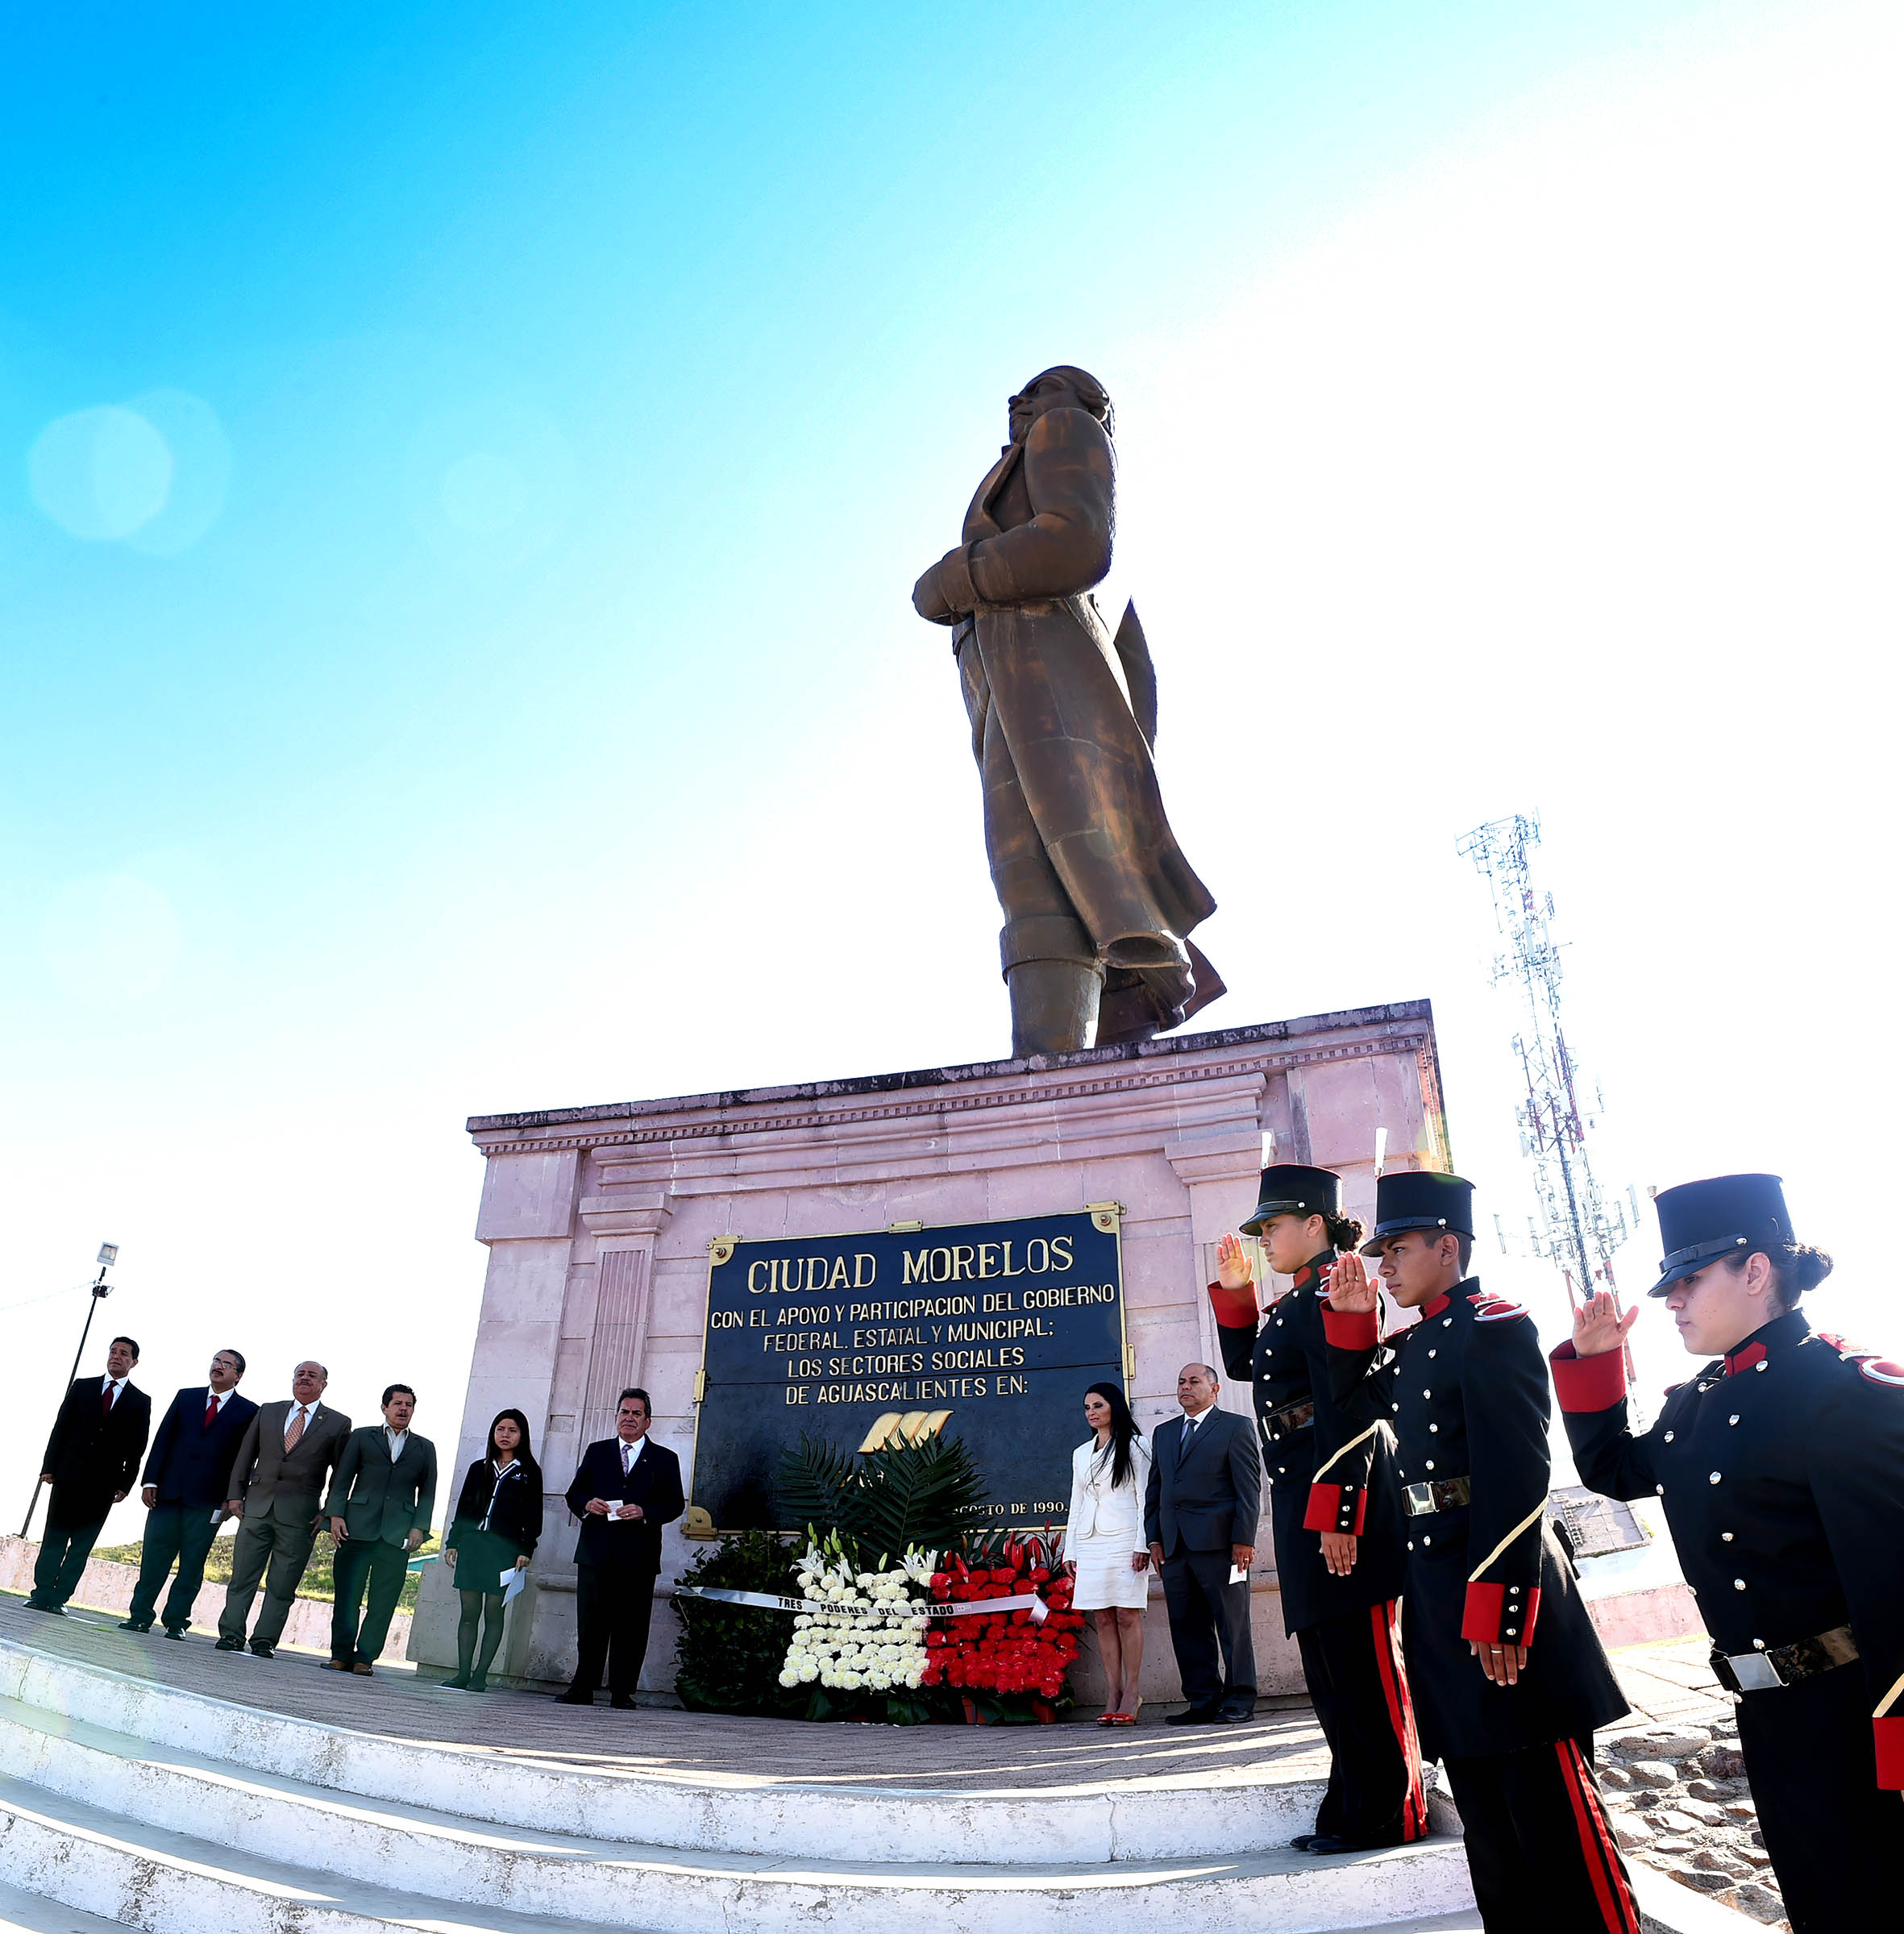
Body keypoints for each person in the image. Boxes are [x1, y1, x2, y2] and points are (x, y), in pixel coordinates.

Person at [1553, 1173, 1903, 1932]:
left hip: (1853, 1718)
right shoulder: (1692, 1407)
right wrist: (1596, 1362)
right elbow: (1614, 1468)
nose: (1672, 1298)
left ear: (1756, 1270)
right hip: (1767, 1715)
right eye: (1669, 1282)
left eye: (1689, 1277)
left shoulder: (1846, 1390)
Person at [1325, 1171, 1637, 1934]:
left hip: (1499, 1587)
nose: (1386, 1265)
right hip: (1436, 1591)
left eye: (1396, 1248)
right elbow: (1351, 1407)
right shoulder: (1415, 1340)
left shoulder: (1491, 1325)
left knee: (1553, 1817)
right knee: (1490, 1833)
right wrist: (1352, 1319)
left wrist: (1500, 1604)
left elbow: (1519, 1471)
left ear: (1448, 1245)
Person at [910, 364, 1223, 1054]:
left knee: (1043, 868)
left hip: (1043, 666)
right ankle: (1055, 1062)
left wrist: (957, 576)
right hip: (1012, 668)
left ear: (1089, 405)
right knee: (1036, 870)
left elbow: (1078, 541)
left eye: (1046, 387)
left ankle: (1051, 1069)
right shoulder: (1036, 438)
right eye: (1025, 393)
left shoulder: (1066, 427)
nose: (1022, 401)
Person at [1210, 1165, 1426, 1854]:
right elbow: (1247, 1365)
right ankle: (1350, 1804)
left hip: (1341, 1494)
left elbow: (1350, 1407)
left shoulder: (1344, 1291)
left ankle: (1390, 1810)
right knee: (1329, 1666)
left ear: (1315, 1224)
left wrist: (1340, 1510)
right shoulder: (1297, 1300)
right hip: (1302, 1489)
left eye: (1273, 1226)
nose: (1265, 1239)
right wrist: (1240, 1291)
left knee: (1364, 1664)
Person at [1143, 1362, 1261, 1724]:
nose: (1185, 1387)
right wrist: (1154, 1539)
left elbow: (1248, 1488)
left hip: (1222, 1546)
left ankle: (1239, 1699)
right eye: (1181, 1382)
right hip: (1176, 1548)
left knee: (1233, 1625)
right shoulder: (1164, 1433)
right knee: (1187, 1626)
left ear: (1215, 1389)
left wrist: (1244, 1539)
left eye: (1194, 1381)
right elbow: (1156, 1490)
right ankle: (1202, 1699)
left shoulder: (1234, 1427)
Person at [558, 1387, 684, 1708]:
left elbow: (674, 1504)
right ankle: (582, 1686)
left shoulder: (665, 1459)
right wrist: (588, 1503)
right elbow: (574, 1494)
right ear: (616, 1417)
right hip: (595, 1552)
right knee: (590, 1623)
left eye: (636, 1413)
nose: (629, 1418)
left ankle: (622, 1691)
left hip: (638, 1557)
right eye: (624, 1412)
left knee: (631, 1625)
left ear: (648, 1421)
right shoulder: (597, 1452)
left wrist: (645, 1512)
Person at [216, 1361, 351, 1657]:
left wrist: (329, 1513)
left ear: (324, 1384)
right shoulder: (269, 1410)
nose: (304, 1379)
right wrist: (235, 1496)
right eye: (300, 1374)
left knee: (283, 1583)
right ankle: (231, 1634)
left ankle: (264, 1640)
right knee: (242, 1576)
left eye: (311, 1376)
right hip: (256, 1507)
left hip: (301, 1516)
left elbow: (341, 1475)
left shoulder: (338, 1423)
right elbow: (245, 1455)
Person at [121, 1348, 257, 1637]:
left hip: (209, 1501)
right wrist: (150, 1481)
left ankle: (176, 1621)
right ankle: (140, 1616)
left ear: (238, 1375)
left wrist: (233, 1497)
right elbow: (163, 1439)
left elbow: (245, 1459)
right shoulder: (186, 1397)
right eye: (216, 1361)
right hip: (167, 1494)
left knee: (192, 1565)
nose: (218, 1366)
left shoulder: (249, 1411)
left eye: (226, 1364)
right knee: (154, 1559)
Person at [28, 1336, 152, 1615]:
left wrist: (126, 1483)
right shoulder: (83, 1387)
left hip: (103, 1485)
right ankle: (41, 1593)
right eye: (113, 1351)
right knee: (54, 1538)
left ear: (134, 1362)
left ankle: (60, 1598)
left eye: (123, 1354)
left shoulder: (140, 1401)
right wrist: (49, 1466)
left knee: (82, 1545)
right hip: (67, 1475)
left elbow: (137, 1447)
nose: (116, 1356)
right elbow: (61, 1427)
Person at [322, 1383, 438, 1676]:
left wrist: (419, 1528)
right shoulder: (362, 1437)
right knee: (348, 1596)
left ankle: (365, 1659)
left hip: (397, 1536)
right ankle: (341, 1655)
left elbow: (427, 1493)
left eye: (408, 1404)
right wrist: (335, 1515)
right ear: (384, 1407)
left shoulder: (425, 1448)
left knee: (383, 1602)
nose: (403, 1409)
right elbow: (342, 1479)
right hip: (356, 1529)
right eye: (397, 1403)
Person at [1063, 1382, 1153, 1724]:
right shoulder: (1081, 1453)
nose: (1092, 1413)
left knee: (1127, 1615)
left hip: (1125, 1539)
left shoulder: (1136, 1446)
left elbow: (1145, 1497)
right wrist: (1071, 1549)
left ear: (1114, 1406)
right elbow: (1077, 1503)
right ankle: (1112, 1692)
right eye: (1087, 1408)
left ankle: (1132, 1692)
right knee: (1101, 1617)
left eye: (1098, 1406)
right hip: (1090, 1542)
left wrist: (1142, 1544)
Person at [443, 1408, 541, 1691]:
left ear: (522, 1435)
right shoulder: (478, 1468)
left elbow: (533, 1516)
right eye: (500, 1429)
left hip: (504, 1551)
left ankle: (480, 1676)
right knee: (469, 1612)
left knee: (494, 1612)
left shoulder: (529, 1473)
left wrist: (526, 1548)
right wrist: (453, 1541)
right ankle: (462, 1674)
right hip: (473, 1547)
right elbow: (463, 1509)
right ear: (493, 1433)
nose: (505, 1435)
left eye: (512, 1430)